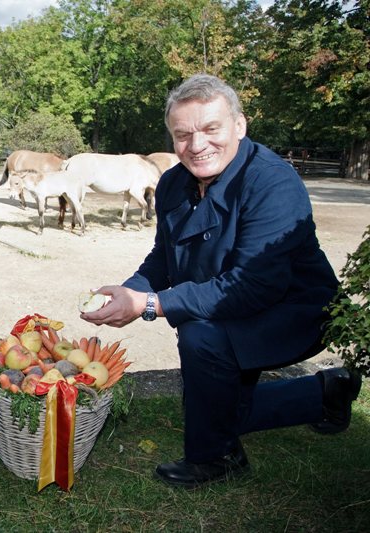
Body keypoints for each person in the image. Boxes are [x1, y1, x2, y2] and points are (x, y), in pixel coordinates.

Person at [81, 74, 361, 488]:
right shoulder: (174, 181)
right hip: (227, 303)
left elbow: (252, 286)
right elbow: (164, 256)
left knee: (201, 339)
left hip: (291, 309)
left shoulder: (273, 182)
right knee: (220, 403)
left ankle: (215, 457)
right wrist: (131, 290)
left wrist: (152, 305)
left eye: (211, 129)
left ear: (239, 126)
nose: (197, 146)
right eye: (182, 135)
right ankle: (326, 392)